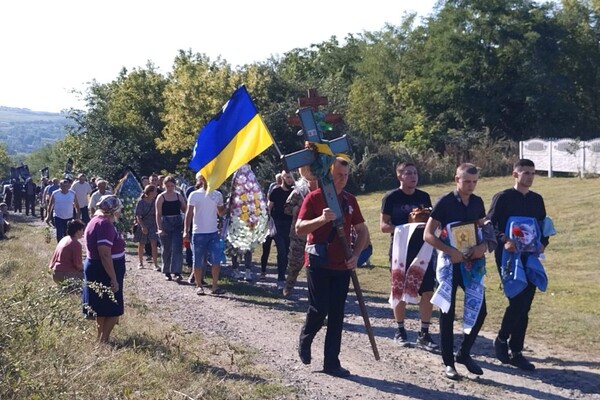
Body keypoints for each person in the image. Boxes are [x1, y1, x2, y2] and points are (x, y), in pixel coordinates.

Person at [297, 157, 369, 378]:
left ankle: (331, 363)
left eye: (346, 175)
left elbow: (363, 230)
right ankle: (306, 337)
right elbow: (300, 229)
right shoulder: (314, 197)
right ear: (329, 174)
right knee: (320, 309)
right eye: (339, 174)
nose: (343, 179)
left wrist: (356, 255)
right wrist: (321, 219)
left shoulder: (349, 200)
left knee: (337, 314)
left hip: (342, 264)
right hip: (318, 262)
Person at [424, 163, 489, 380]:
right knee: (447, 312)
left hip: (471, 264)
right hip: (449, 264)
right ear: (457, 179)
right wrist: (450, 251)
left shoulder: (478, 202)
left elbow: (484, 226)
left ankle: (464, 353)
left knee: (480, 309)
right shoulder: (445, 202)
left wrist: (485, 245)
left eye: (474, 182)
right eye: (466, 181)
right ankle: (448, 363)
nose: (470, 186)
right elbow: (428, 234)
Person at [487, 159, 550, 371]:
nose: (529, 177)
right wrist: (505, 240)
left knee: (527, 302)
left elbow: (543, 226)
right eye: (525, 173)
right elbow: (489, 225)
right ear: (515, 174)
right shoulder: (503, 198)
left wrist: (543, 243)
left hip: (530, 256)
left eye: (532, 173)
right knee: (517, 298)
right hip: (508, 257)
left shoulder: (536, 200)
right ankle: (502, 340)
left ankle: (516, 351)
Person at [380, 162, 438, 351]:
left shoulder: (424, 196)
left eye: (415, 173)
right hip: (401, 250)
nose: (413, 176)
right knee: (400, 290)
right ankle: (400, 330)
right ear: (399, 176)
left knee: (428, 291)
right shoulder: (391, 198)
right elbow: (383, 226)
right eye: (408, 173)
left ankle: (424, 333)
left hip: (423, 250)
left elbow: (430, 220)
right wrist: (404, 228)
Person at [82, 195, 126, 344]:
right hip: (104, 270)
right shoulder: (104, 224)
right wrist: (113, 278)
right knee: (113, 309)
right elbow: (105, 253)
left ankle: (101, 338)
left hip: (97, 267)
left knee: (101, 308)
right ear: (113, 210)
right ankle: (103, 340)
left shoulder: (95, 221)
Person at [183, 172, 227, 295]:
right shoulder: (194, 195)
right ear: (202, 180)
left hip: (213, 232)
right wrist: (186, 230)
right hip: (198, 233)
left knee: (216, 261)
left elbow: (221, 213)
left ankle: (214, 286)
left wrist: (231, 205)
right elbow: (189, 214)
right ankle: (198, 285)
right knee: (197, 261)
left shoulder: (217, 195)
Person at [282, 165, 318, 297]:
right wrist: (299, 208)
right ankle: (289, 287)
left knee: (315, 263)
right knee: (295, 262)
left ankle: (314, 291)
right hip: (299, 234)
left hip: (316, 232)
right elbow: (286, 208)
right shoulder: (299, 191)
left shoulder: (322, 189)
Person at [156, 176, 187, 282]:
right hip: (166, 222)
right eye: (168, 186)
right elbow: (158, 213)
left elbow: (185, 209)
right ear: (164, 186)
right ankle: (167, 271)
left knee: (177, 247)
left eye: (172, 186)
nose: (170, 188)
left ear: (175, 186)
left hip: (177, 222)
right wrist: (159, 228)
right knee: (166, 248)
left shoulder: (178, 196)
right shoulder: (161, 197)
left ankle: (177, 271)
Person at [269, 170, 294, 289]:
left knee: (288, 253)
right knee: (282, 251)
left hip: (290, 225)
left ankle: (285, 276)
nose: (289, 180)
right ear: (283, 178)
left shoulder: (295, 192)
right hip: (278, 224)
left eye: (291, 178)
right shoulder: (275, 192)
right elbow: (269, 208)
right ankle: (280, 279)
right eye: (287, 177)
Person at [260, 172, 282, 278]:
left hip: (280, 223)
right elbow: (269, 202)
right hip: (270, 222)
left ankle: (281, 272)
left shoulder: (289, 190)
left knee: (281, 250)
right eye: (278, 179)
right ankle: (263, 270)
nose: (279, 181)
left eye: (280, 179)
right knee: (266, 248)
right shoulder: (273, 188)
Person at [133, 184, 159, 269]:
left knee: (154, 244)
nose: (156, 193)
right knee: (141, 244)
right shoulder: (141, 202)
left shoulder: (155, 202)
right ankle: (140, 262)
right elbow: (138, 215)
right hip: (143, 224)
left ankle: (155, 264)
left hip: (153, 224)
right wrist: (143, 226)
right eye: (155, 191)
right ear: (151, 192)